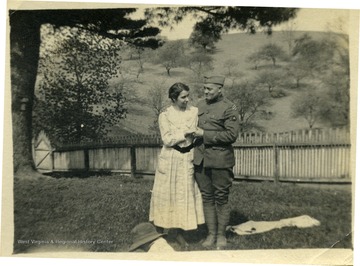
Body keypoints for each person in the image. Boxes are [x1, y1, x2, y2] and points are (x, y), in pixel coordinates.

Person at [149, 82, 205, 250]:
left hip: (186, 157)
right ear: (174, 98)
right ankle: (158, 233)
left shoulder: (193, 112)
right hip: (170, 157)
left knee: (183, 194)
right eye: (183, 97)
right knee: (166, 195)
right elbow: (167, 139)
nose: (187, 100)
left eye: (188, 96)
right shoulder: (164, 116)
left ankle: (179, 233)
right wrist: (185, 133)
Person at [189, 75, 240, 249]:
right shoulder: (199, 106)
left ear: (220, 89)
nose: (205, 91)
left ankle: (221, 236)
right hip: (201, 160)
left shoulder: (229, 108)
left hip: (220, 160)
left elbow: (231, 135)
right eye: (204, 88)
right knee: (207, 197)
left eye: (209, 89)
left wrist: (205, 135)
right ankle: (211, 234)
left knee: (221, 198)